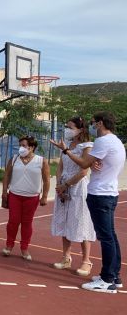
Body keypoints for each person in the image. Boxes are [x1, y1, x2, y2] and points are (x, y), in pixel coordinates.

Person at [52, 111, 125, 294]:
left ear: (100, 123)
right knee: (110, 236)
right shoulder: (114, 141)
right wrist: (92, 162)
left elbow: (84, 164)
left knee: (105, 237)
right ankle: (114, 276)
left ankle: (107, 279)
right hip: (107, 192)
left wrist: (67, 151)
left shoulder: (102, 141)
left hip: (100, 194)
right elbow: (93, 163)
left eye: (93, 123)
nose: (92, 127)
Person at [51, 117, 96, 276]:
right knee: (64, 221)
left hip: (78, 188)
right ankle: (66, 257)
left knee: (81, 221)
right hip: (63, 188)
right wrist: (59, 185)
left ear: (80, 129)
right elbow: (60, 167)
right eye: (66, 126)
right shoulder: (67, 145)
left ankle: (86, 261)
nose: (66, 129)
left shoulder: (88, 146)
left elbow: (84, 170)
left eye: (70, 127)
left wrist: (67, 184)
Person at [1, 136, 50, 260]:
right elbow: (6, 175)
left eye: (24, 145)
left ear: (32, 147)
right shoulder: (14, 159)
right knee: (13, 221)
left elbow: (46, 179)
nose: (21, 148)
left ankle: (24, 248)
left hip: (32, 197)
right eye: (20, 145)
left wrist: (44, 196)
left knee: (27, 223)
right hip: (15, 195)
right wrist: (4, 192)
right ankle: (9, 245)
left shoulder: (41, 161)